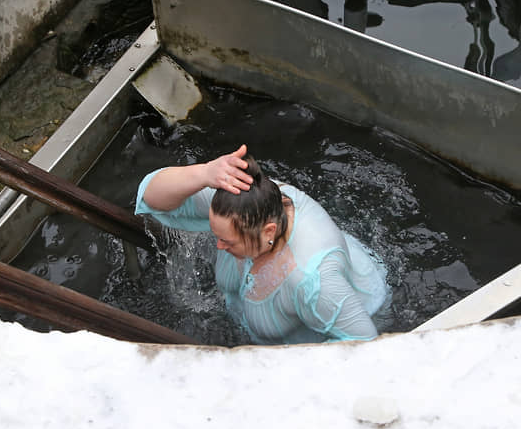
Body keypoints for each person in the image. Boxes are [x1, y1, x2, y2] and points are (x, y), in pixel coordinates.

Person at [135, 144, 389, 344]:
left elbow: (365, 346)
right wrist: (203, 173)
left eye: (227, 241)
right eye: (217, 236)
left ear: (268, 231)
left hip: (344, 309)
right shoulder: (242, 201)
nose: (219, 246)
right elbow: (150, 196)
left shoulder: (312, 282)